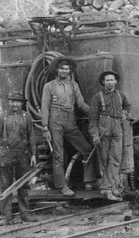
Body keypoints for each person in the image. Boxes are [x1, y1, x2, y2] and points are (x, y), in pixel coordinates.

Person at [41, 56, 97, 196]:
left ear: (70, 71)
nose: (65, 71)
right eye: (62, 69)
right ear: (57, 70)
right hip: (55, 121)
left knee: (87, 149)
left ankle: (89, 180)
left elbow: (81, 104)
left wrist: (94, 113)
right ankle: (61, 185)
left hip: (70, 121)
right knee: (58, 155)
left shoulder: (74, 85)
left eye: (67, 69)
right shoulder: (49, 86)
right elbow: (45, 107)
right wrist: (45, 127)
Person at [0, 90, 38, 225]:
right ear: (8, 102)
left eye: (18, 101)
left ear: (21, 103)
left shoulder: (26, 117)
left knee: (24, 185)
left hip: (23, 154)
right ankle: (5, 217)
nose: (15, 104)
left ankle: (25, 214)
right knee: (5, 186)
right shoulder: (2, 117)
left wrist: (33, 154)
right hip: (6, 155)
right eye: (12, 101)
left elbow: (31, 136)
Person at [88, 71, 131, 201]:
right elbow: (93, 119)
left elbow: (127, 106)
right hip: (103, 129)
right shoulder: (97, 97)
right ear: (103, 82)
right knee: (104, 160)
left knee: (116, 158)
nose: (110, 82)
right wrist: (95, 136)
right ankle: (108, 188)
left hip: (117, 128)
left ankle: (108, 187)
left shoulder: (120, 95)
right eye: (107, 80)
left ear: (115, 82)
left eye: (112, 80)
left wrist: (124, 113)